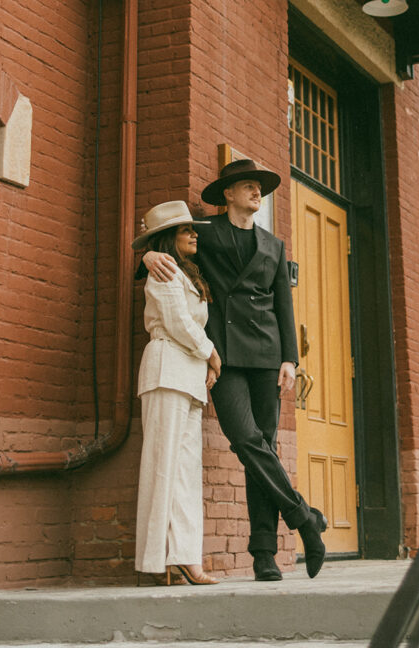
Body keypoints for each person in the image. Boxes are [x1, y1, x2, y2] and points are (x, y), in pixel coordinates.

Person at [142, 158, 327, 581]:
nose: (256, 193)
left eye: (259, 187)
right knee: (247, 442)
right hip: (223, 355)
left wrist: (289, 359)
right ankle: (304, 519)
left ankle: (263, 554)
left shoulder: (274, 245)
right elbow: (165, 245)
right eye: (247, 186)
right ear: (227, 194)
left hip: (266, 357)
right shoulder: (204, 232)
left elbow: (284, 305)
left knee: (264, 448)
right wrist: (151, 253)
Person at [133, 200, 222, 586]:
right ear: (170, 238)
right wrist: (211, 353)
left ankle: (184, 557)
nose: (194, 234)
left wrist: (204, 364)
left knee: (185, 471)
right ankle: (157, 560)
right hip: (167, 366)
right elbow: (177, 321)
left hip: (187, 374)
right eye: (186, 230)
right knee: (162, 465)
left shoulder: (186, 273)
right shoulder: (163, 269)